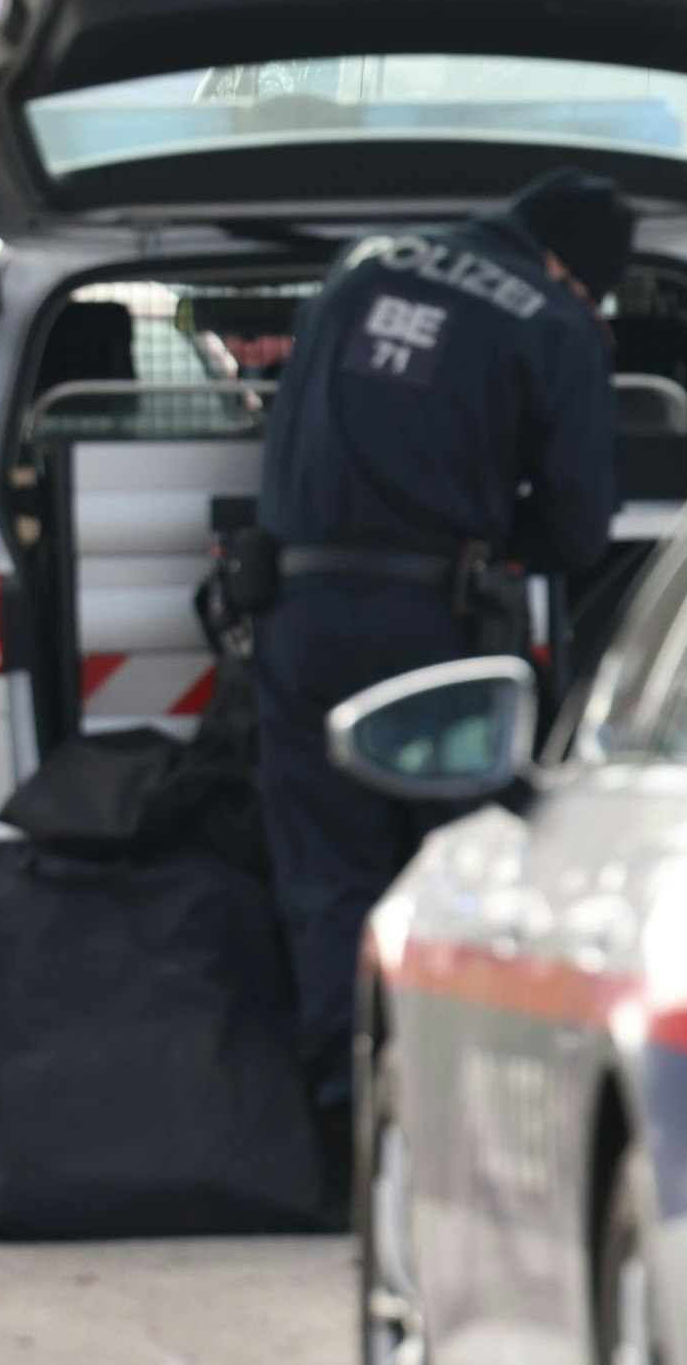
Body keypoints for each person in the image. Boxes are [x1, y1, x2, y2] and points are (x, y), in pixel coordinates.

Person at [253, 168, 623, 1142]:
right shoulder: (554, 320)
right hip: (427, 628)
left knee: (324, 873)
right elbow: (581, 529)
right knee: (454, 870)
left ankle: (343, 1129)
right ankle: (453, 1125)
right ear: (572, 268)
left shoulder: (360, 262)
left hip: (293, 612)